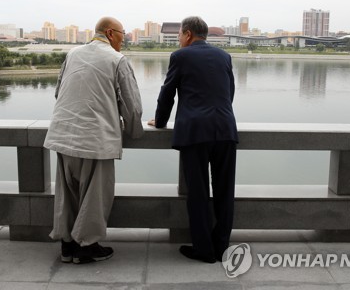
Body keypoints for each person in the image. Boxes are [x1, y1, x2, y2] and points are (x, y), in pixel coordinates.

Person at [44, 16, 143, 264]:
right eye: (123, 33)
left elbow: (58, 92)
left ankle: (67, 247)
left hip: (64, 134)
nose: (125, 38)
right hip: (96, 138)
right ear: (110, 33)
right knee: (95, 197)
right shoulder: (117, 59)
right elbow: (132, 107)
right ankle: (86, 247)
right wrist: (134, 131)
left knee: (66, 194)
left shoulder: (73, 54)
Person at [148, 16, 238, 263]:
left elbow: (167, 94)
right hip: (225, 129)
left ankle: (203, 250)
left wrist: (161, 121)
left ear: (187, 34)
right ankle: (221, 247)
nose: (178, 38)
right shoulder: (224, 56)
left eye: (179, 34)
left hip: (195, 132)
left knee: (198, 193)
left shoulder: (180, 56)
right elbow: (229, 92)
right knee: (224, 191)